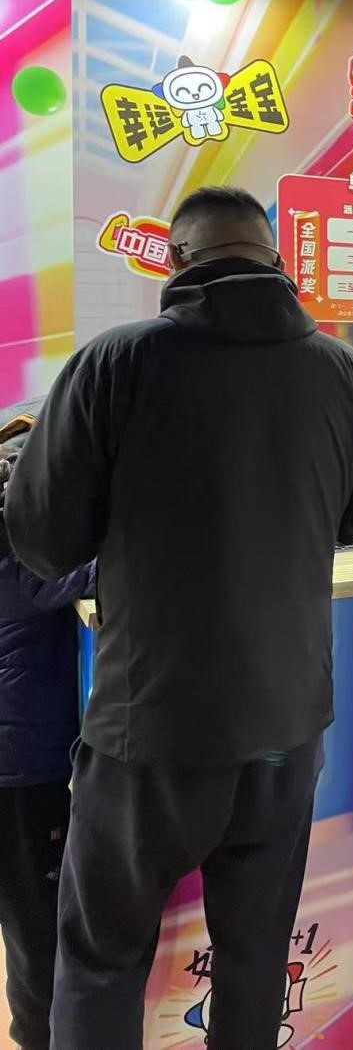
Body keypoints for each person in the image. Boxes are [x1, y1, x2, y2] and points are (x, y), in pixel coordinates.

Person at [4, 186, 353, 1050]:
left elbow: (40, 540)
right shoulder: (344, 374)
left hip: (151, 730)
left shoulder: (115, 363)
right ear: (276, 261)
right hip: (286, 732)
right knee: (255, 957)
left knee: (102, 957)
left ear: (177, 262)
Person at [0, 406, 94, 1050]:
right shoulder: (22, 541)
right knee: (36, 925)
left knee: (25, 917)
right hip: (21, 768)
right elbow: (112, 569)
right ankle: (37, 1037)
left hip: (17, 761)